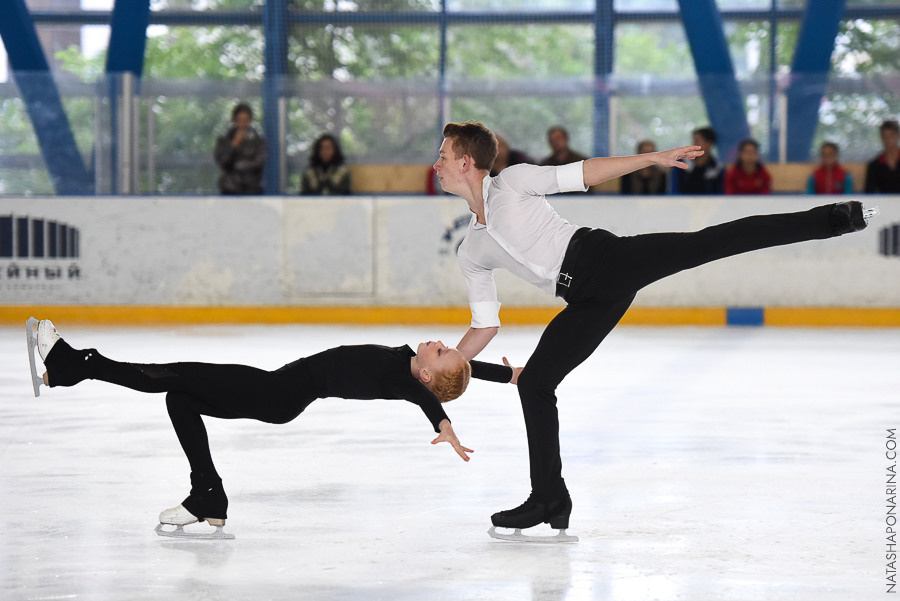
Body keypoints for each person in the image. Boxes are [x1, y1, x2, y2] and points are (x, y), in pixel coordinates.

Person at [432, 120, 874, 539]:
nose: (437, 164)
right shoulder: (472, 248)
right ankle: (550, 499)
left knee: (711, 240)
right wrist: (445, 363)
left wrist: (652, 159)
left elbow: (585, 172)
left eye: (444, 156)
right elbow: (485, 324)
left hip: (608, 259)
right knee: (535, 384)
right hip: (586, 301)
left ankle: (831, 219)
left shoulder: (513, 182)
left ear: (467, 162)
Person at [27, 319, 512, 537]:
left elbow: (427, 397)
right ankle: (208, 497)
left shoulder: (404, 381)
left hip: (274, 395)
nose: (444, 343)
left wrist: (445, 423)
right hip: (276, 389)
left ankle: (77, 363)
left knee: (176, 374)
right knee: (179, 398)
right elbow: (464, 364)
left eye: (443, 351)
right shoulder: (410, 363)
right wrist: (508, 374)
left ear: (428, 374)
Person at [213, 103, 267, 195]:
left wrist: (240, 166)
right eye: (239, 120)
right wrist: (233, 145)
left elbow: (259, 162)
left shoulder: (258, 142)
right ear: (234, 120)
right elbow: (223, 162)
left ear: (250, 120)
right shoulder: (224, 141)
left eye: (245, 120)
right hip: (230, 189)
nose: (242, 124)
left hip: (252, 189)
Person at [669, 126, 724, 195]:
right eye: (693, 141)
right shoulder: (681, 164)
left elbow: (719, 193)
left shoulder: (717, 168)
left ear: (708, 144)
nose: (693, 144)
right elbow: (674, 190)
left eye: (697, 141)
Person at [865, 120, 900, 194]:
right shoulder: (874, 165)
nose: (888, 140)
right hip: (883, 204)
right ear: (881, 137)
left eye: (891, 135)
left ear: (898, 136)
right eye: (885, 136)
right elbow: (869, 192)